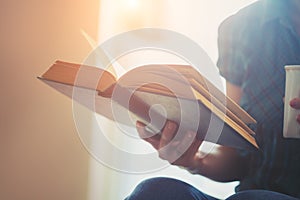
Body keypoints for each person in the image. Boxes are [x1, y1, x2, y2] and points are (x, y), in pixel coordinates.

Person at [125, 0, 300, 199]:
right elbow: (237, 160)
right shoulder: (243, 27)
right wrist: (193, 159)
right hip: (254, 193)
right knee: (153, 193)